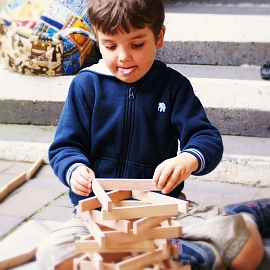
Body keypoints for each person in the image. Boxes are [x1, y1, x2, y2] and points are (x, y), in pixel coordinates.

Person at [36, 0, 269, 269]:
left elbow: (206, 138)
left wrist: (187, 160)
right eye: (110, 46)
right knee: (52, 255)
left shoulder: (174, 86)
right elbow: (64, 147)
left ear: (159, 37)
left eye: (136, 44)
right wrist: (74, 169)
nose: (123, 57)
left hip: (163, 211)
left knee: (246, 249)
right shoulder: (85, 86)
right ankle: (184, 252)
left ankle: (228, 228)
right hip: (99, 216)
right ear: (97, 39)